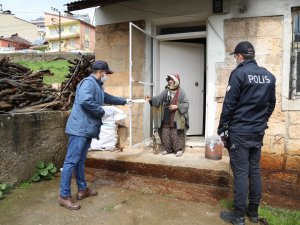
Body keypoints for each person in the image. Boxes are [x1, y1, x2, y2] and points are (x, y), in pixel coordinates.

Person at [58, 60, 132, 210]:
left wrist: (125, 101)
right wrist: (102, 111)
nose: (107, 76)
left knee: (80, 161)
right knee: (71, 161)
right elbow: (86, 101)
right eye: (107, 73)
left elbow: (107, 97)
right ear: (100, 72)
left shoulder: (97, 86)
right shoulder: (88, 83)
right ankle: (64, 196)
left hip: (86, 129)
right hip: (79, 129)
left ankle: (83, 189)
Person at [217, 41, 276, 225]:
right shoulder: (269, 76)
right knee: (254, 171)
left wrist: (222, 128)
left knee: (241, 173)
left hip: (240, 132)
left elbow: (229, 105)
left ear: (240, 56)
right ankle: (254, 212)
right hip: (257, 132)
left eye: (236, 56)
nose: (236, 59)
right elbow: (271, 104)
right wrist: (261, 121)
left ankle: (239, 215)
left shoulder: (239, 74)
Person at [145, 74, 189, 157]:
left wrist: (177, 106)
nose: (169, 81)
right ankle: (168, 149)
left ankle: (178, 149)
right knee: (165, 133)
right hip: (166, 116)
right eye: (168, 80)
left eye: (171, 79)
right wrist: (151, 98)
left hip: (176, 116)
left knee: (176, 133)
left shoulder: (181, 92)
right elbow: (158, 99)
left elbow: (186, 104)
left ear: (176, 81)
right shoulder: (166, 91)